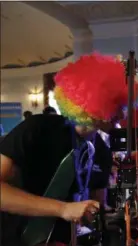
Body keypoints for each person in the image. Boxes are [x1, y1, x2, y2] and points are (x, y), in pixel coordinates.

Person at [0, 53, 130, 246]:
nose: (122, 114)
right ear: (92, 101)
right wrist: (62, 209)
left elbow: (95, 208)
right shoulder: (37, 129)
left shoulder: (101, 152)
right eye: (116, 105)